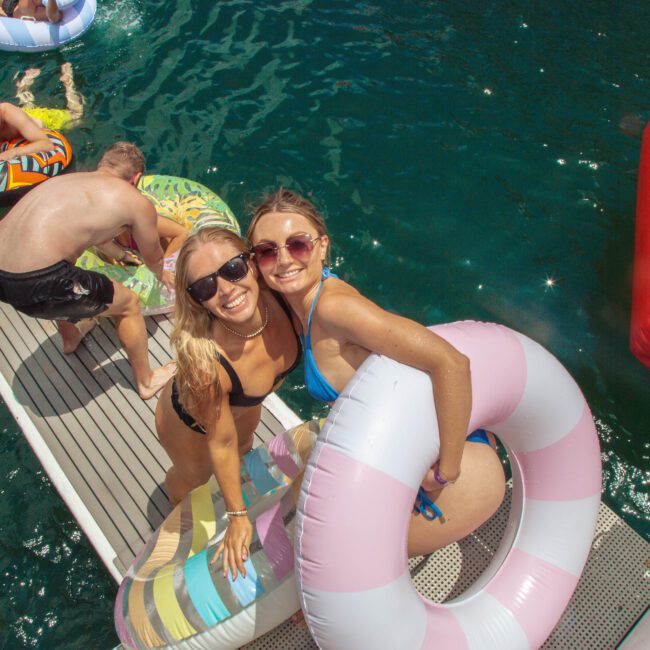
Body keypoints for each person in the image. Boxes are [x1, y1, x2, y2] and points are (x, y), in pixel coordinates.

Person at [247, 188, 505, 556]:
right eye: (267, 251)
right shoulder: (299, 306)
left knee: (337, 564)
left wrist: (444, 472)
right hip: (405, 454)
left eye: (298, 245)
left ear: (322, 246)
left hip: (455, 469)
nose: (284, 259)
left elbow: (451, 362)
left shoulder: (335, 308)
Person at [154, 226, 302, 578]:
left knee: (245, 448)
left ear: (252, 263)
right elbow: (219, 441)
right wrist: (237, 518)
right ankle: (175, 508)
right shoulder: (210, 363)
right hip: (187, 422)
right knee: (195, 478)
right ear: (197, 300)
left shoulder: (282, 297)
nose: (225, 289)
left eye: (233, 269)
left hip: (244, 404)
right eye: (205, 286)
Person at [0, 142, 176, 400]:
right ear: (136, 177)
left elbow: (88, 232)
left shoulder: (68, 181)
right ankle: (147, 381)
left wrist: (117, 255)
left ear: (103, 166)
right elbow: (153, 257)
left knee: (66, 268)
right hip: (36, 281)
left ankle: (71, 338)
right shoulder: (135, 201)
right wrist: (164, 275)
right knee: (128, 303)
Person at [13, 63, 84, 132]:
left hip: (42, 120)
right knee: (25, 103)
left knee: (76, 114)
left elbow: (38, 124)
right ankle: (25, 82)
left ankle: (68, 82)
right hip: (26, 115)